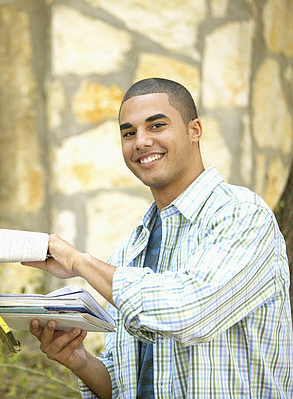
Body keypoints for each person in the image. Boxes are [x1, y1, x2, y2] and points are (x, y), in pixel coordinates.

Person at [23, 78, 293, 398]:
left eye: (157, 125)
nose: (141, 141)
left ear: (195, 130)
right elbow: (126, 384)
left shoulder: (242, 217)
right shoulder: (128, 253)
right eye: (128, 132)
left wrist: (79, 262)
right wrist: (79, 361)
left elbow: (189, 312)